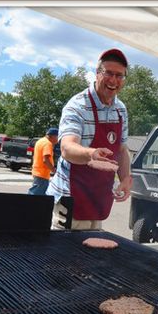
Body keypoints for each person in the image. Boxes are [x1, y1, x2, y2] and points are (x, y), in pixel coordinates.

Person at [46, 48, 133, 230]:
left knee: (93, 254)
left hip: (98, 200)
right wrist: (91, 154)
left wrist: (125, 178)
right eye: (108, 73)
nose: (113, 80)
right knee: (63, 257)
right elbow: (67, 148)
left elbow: (122, 150)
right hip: (69, 200)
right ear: (97, 73)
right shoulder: (78, 105)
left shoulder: (120, 109)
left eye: (119, 75)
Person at [28, 127, 59, 195]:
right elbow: (46, 160)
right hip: (42, 174)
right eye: (57, 136)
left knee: (41, 195)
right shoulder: (48, 144)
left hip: (37, 171)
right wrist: (53, 170)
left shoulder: (40, 141)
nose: (58, 139)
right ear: (52, 136)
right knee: (36, 195)